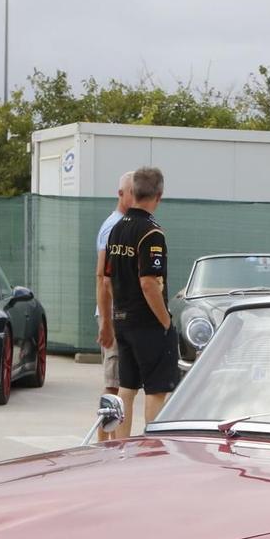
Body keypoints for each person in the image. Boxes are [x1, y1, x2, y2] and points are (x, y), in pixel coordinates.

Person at [97, 166, 178, 435]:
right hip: (148, 323)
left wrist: (114, 315)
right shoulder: (151, 232)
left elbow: (107, 280)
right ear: (159, 195)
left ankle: (122, 448)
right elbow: (149, 283)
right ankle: (151, 445)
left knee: (127, 388)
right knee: (157, 388)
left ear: (133, 192)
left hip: (123, 320)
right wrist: (165, 321)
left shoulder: (116, 229)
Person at [92, 172, 132, 441]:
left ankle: (109, 443)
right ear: (121, 194)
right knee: (114, 384)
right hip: (113, 314)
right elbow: (105, 280)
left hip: (119, 314)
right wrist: (107, 322)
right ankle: (106, 445)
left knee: (118, 382)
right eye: (133, 193)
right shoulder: (114, 227)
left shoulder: (125, 224)